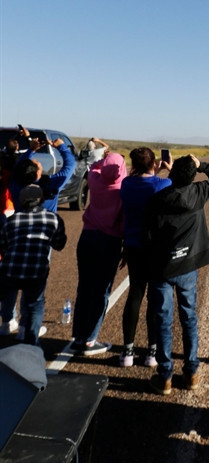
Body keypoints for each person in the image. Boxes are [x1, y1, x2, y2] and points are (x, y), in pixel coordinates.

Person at [144, 154, 209, 395]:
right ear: (192, 176)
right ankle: (191, 373)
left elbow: (148, 237)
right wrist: (201, 166)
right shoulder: (199, 192)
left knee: (163, 321)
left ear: (171, 174)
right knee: (189, 318)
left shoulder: (158, 200)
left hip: (163, 268)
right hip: (188, 266)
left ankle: (165, 375)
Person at [1, 132, 76, 336]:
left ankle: (8, 320)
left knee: (10, 283)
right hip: (41, 239)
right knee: (34, 287)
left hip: (17, 234)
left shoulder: (16, 186)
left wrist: (31, 150)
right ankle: (27, 327)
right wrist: (62, 147)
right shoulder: (49, 186)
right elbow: (70, 168)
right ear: (36, 174)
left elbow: (18, 168)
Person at [118, 147, 172, 367]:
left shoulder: (126, 184)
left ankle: (128, 351)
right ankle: (152, 351)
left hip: (132, 245)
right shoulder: (161, 184)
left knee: (135, 295)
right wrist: (167, 169)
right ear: (154, 163)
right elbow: (172, 185)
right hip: (155, 249)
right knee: (154, 299)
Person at [70, 149, 126, 357]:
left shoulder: (94, 179)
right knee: (101, 291)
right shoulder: (122, 187)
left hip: (87, 238)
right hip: (109, 241)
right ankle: (91, 340)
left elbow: (93, 166)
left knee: (84, 288)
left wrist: (104, 157)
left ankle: (78, 337)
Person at [0, 184, 66, 344]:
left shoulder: (12, 220)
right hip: (36, 270)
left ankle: (6, 322)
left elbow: (3, 245)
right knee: (35, 304)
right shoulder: (53, 218)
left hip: (10, 269)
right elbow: (59, 244)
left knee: (7, 293)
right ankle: (30, 338)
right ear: (41, 199)